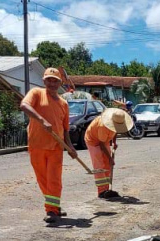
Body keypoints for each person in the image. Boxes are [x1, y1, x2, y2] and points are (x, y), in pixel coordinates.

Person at [20, 68, 78, 225]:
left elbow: (65, 129)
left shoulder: (63, 104)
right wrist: (41, 120)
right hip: (37, 145)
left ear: (60, 83)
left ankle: (51, 210)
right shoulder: (36, 93)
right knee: (43, 179)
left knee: (54, 179)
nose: (52, 83)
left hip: (56, 146)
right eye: (49, 80)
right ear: (44, 81)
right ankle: (55, 205)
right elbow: (24, 106)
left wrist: (70, 147)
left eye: (55, 80)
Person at [85, 107, 133, 200]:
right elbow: (101, 144)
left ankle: (106, 189)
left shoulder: (114, 124)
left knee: (107, 164)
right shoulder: (103, 125)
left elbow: (115, 131)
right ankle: (101, 191)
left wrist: (114, 143)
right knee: (99, 165)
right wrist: (110, 158)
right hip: (93, 141)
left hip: (104, 140)